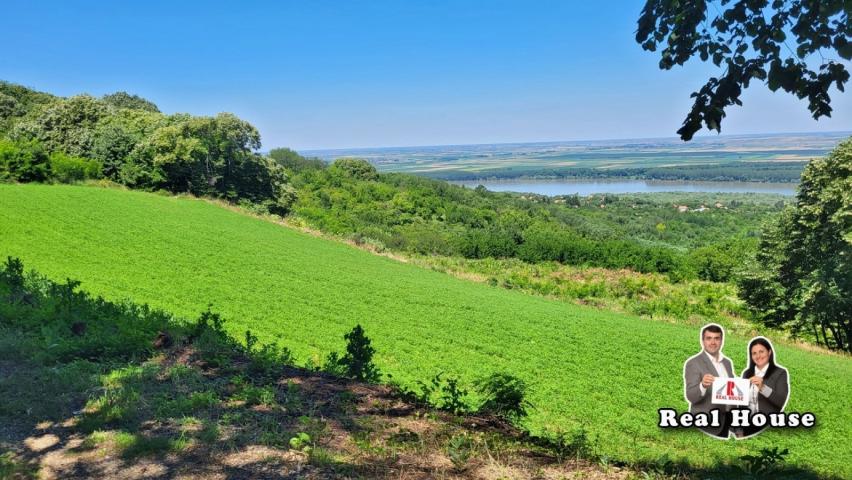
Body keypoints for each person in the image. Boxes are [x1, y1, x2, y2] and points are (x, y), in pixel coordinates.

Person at [683, 323, 735, 438]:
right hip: (704, 423)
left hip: (724, 422)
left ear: (721, 341)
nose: (713, 342)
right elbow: (691, 396)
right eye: (709, 338)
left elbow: (732, 393)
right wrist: (702, 385)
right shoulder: (694, 363)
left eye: (717, 338)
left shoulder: (727, 363)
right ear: (702, 340)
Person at [738, 336, 790, 438]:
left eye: (761, 351)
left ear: (769, 352)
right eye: (754, 353)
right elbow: (741, 403)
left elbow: (780, 401)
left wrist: (762, 388)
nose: (758, 356)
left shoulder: (780, 373)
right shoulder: (747, 373)